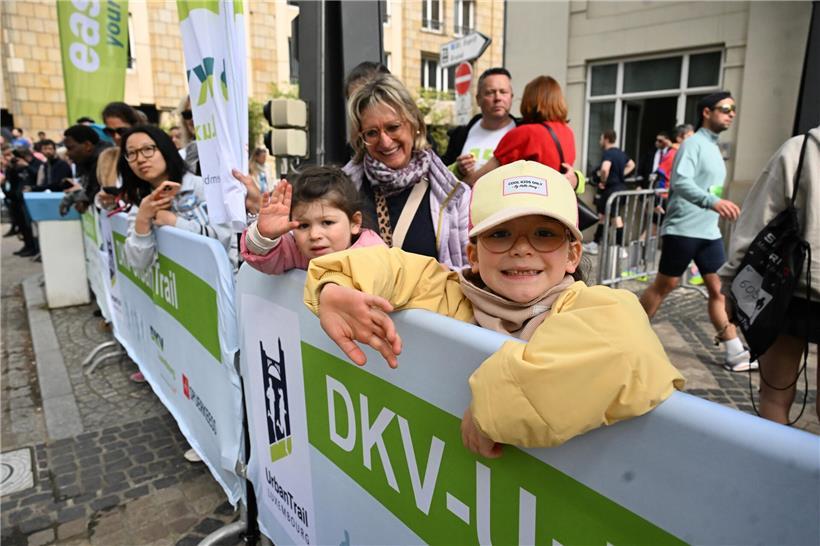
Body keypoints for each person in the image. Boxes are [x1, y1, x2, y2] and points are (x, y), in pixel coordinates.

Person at [304, 160, 684, 455]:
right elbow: (392, 265)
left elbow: (627, 349)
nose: (522, 249)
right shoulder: (452, 292)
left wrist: (494, 407)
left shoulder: (585, 305)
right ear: (473, 254)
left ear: (572, 255)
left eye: (544, 234)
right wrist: (335, 285)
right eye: (501, 234)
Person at [639, 92, 754, 372]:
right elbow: (680, 182)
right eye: (725, 108)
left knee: (718, 289)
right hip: (684, 229)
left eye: (733, 109)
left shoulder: (713, 147)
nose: (731, 113)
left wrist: (715, 204)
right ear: (706, 112)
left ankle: (734, 352)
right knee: (664, 286)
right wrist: (713, 201)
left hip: (709, 232)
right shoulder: (693, 144)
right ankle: (625, 336)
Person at [719, 127, 819, 423]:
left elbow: (757, 221)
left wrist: (731, 283)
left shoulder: (801, 150)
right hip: (792, 290)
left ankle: (774, 454)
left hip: (790, 287)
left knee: (775, 395)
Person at [344, 73, 470, 268]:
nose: (385, 142)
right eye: (372, 133)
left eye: (393, 127)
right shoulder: (343, 190)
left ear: (414, 124)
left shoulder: (455, 195)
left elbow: (470, 269)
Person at [120, 125, 232, 272]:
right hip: (175, 283)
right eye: (131, 153)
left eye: (147, 149)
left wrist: (174, 222)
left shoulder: (201, 188)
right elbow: (138, 264)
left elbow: (225, 241)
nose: (140, 159)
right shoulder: (142, 204)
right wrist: (142, 219)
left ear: (165, 148)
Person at [241, 165, 384, 275]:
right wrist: (265, 236)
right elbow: (266, 261)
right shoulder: (298, 251)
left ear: (355, 222)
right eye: (303, 225)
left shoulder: (373, 255)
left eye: (327, 222)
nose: (314, 235)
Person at [464, 76, 577, 188]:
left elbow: (480, 178)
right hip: (560, 197)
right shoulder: (568, 132)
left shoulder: (525, 133)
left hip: (529, 198)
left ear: (529, 100)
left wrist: (462, 181)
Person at [441, 67, 518, 180]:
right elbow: (441, 176)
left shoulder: (524, 133)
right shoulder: (460, 135)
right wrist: (458, 170)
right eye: (490, 93)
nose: (498, 98)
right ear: (478, 99)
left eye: (503, 92)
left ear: (511, 97)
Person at [584, 129, 635, 256]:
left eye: (601, 138)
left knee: (615, 217)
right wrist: (621, 175)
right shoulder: (620, 153)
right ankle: (596, 243)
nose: (600, 141)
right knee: (603, 216)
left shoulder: (608, 153)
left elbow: (604, 169)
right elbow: (631, 164)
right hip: (618, 188)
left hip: (612, 189)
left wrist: (603, 180)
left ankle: (620, 248)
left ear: (606, 139)